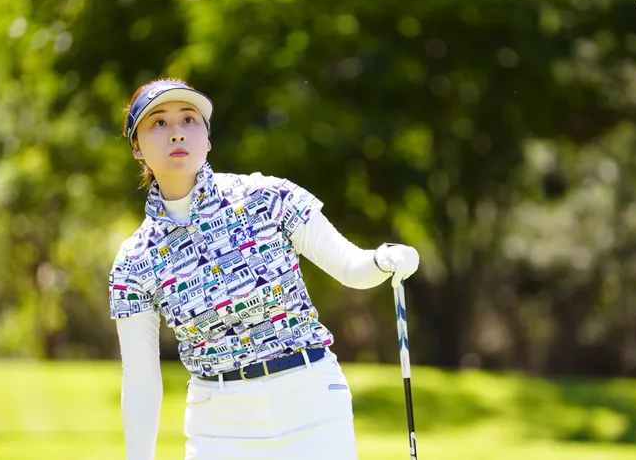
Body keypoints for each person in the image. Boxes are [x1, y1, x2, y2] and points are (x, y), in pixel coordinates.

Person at [108, 77, 420, 460]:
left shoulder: (268, 198)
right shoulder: (134, 261)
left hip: (312, 405)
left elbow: (351, 268)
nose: (176, 133)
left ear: (207, 139)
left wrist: (382, 259)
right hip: (217, 427)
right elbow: (140, 383)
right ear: (137, 147)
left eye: (189, 119)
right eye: (159, 122)